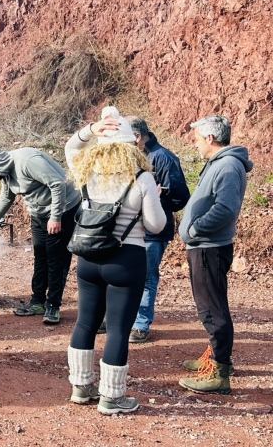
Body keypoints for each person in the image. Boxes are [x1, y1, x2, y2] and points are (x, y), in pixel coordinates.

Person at [64, 107, 165, 415]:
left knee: (85, 322)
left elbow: (70, 147)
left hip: (89, 258)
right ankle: (112, 397)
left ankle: (81, 388)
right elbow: (156, 225)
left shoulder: (86, 171)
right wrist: (155, 197)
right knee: (119, 330)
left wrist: (91, 129)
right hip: (125, 260)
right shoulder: (142, 178)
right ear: (130, 146)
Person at [178, 115, 252, 395]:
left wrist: (195, 229)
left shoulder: (228, 165)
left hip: (209, 247)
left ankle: (220, 372)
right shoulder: (220, 163)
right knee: (210, 306)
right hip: (205, 247)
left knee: (212, 309)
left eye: (197, 139)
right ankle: (216, 357)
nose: (195, 144)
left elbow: (225, 208)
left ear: (210, 138)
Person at [0, 146, 80, 324]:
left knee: (56, 259)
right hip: (39, 213)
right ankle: (37, 301)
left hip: (63, 209)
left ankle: (53, 305)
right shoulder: (6, 172)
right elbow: (6, 197)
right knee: (40, 256)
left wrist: (56, 217)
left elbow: (58, 184)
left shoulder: (27, 162)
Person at [124, 116, 190, 343]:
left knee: (146, 277)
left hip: (153, 231)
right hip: (129, 229)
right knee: (122, 274)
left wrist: (156, 201)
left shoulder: (163, 158)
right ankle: (118, 318)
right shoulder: (130, 155)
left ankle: (140, 325)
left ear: (136, 136)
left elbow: (181, 197)